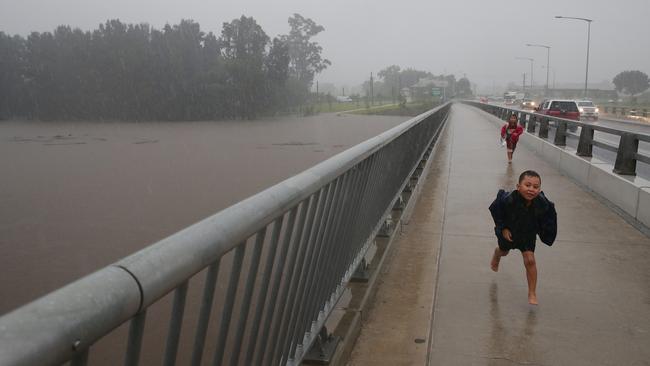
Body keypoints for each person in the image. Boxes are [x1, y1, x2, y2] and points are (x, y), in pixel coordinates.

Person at [488, 170, 557, 305]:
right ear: (518, 186)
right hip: (510, 233)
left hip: (527, 233)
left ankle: (532, 292)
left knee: (530, 260)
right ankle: (497, 254)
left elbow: (549, 218)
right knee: (504, 251)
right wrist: (503, 228)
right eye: (527, 185)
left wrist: (544, 232)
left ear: (539, 189)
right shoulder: (508, 200)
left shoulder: (542, 203)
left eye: (535, 187)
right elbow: (496, 211)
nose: (531, 189)